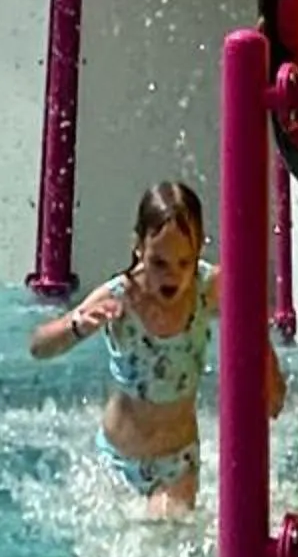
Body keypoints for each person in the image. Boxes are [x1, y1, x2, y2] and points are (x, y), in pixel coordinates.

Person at [29, 179, 284, 515]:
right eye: (159, 263)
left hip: (176, 463)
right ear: (138, 246)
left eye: (184, 262)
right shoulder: (120, 297)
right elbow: (38, 347)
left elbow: (252, 326)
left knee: (163, 532)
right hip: (115, 461)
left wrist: (270, 377)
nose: (173, 276)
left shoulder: (207, 289)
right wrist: (76, 325)